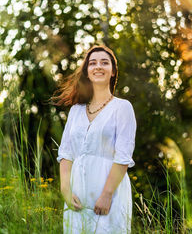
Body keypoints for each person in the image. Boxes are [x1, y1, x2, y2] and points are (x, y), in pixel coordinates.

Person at [53, 44, 137, 234]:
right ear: (87, 72)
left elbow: (123, 156)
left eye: (104, 63)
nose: (98, 66)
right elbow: (66, 154)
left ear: (113, 71)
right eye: (93, 63)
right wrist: (66, 191)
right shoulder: (75, 110)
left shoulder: (122, 108)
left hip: (109, 192)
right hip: (77, 195)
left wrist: (107, 195)